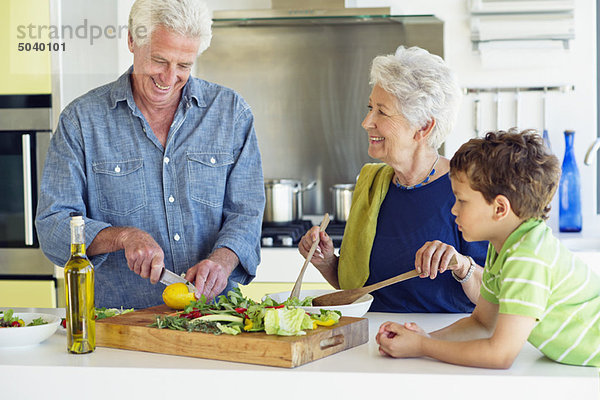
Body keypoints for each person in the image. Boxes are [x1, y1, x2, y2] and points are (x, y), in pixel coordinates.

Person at [35, 0, 265, 309]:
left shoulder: (231, 113)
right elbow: (54, 225)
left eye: (184, 65)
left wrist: (222, 262)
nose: (169, 78)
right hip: (117, 328)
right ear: (132, 39)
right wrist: (123, 237)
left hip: (212, 323)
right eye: (159, 60)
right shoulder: (81, 121)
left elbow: (246, 214)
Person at [376, 130, 600, 368]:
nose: (453, 210)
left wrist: (422, 347)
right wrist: (422, 338)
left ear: (499, 208)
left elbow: (500, 355)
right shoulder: (505, 247)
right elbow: (482, 323)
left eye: (461, 200)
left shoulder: (528, 257)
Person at [298, 46, 488, 313]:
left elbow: (495, 296)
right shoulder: (373, 185)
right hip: (372, 338)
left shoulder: (467, 188)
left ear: (423, 127)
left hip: (441, 342)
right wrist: (326, 259)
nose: (366, 122)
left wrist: (462, 265)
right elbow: (357, 287)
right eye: (369, 108)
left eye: (382, 112)